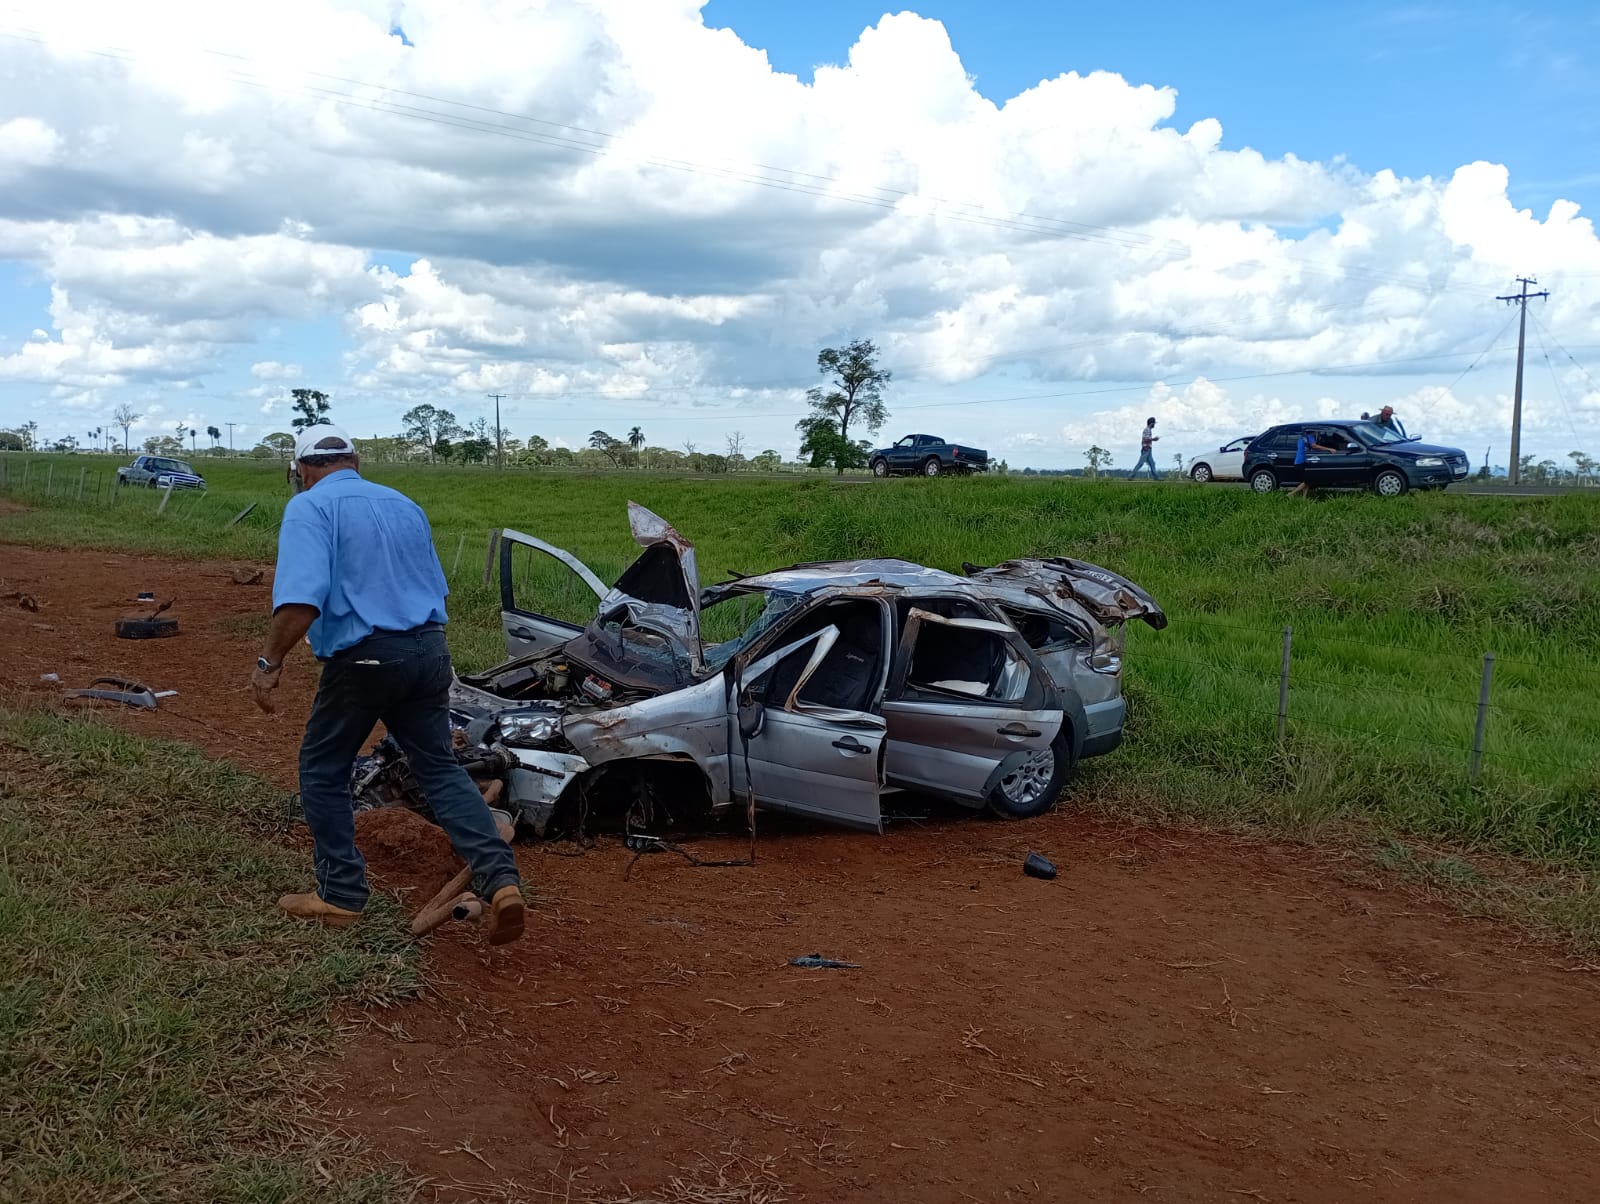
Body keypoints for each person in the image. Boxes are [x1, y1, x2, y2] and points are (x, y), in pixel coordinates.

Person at [251, 424, 525, 943]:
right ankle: (501, 880)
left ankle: (340, 894)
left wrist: (269, 662)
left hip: (367, 657)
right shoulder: (404, 504)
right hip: (429, 649)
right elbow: (433, 587)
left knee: (322, 767)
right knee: (440, 767)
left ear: (302, 469)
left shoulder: (310, 507)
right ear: (355, 462)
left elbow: (301, 600)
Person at [1290, 429, 1335, 497]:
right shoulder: (1310, 437)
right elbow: (1314, 446)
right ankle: (1291, 494)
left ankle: (1304, 498)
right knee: (1307, 481)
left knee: (1306, 481)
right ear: (1313, 432)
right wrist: (1329, 449)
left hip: (1298, 461)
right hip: (1302, 461)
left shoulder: (1301, 438)